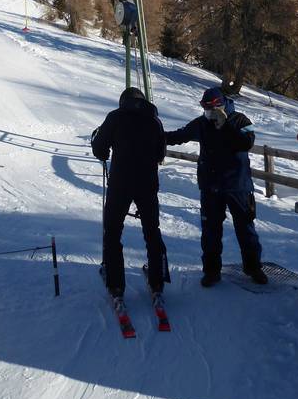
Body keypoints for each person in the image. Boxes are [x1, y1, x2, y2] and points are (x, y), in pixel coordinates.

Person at [165, 86, 268, 287]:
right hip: (211, 185)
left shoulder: (240, 120)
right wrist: (155, 135)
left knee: (245, 228)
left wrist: (226, 125)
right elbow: (180, 135)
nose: (208, 113)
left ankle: (253, 267)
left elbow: (246, 143)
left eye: (211, 109)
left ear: (221, 105)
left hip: (237, 185)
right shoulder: (202, 123)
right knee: (210, 230)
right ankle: (211, 271)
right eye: (205, 109)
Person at [92, 87, 169, 301]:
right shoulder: (154, 120)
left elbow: (99, 148)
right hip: (147, 183)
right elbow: (161, 153)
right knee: (152, 230)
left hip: (121, 183)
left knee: (113, 231)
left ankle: (116, 284)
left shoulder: (115, 117)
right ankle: (157, 281)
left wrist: (105, 148)